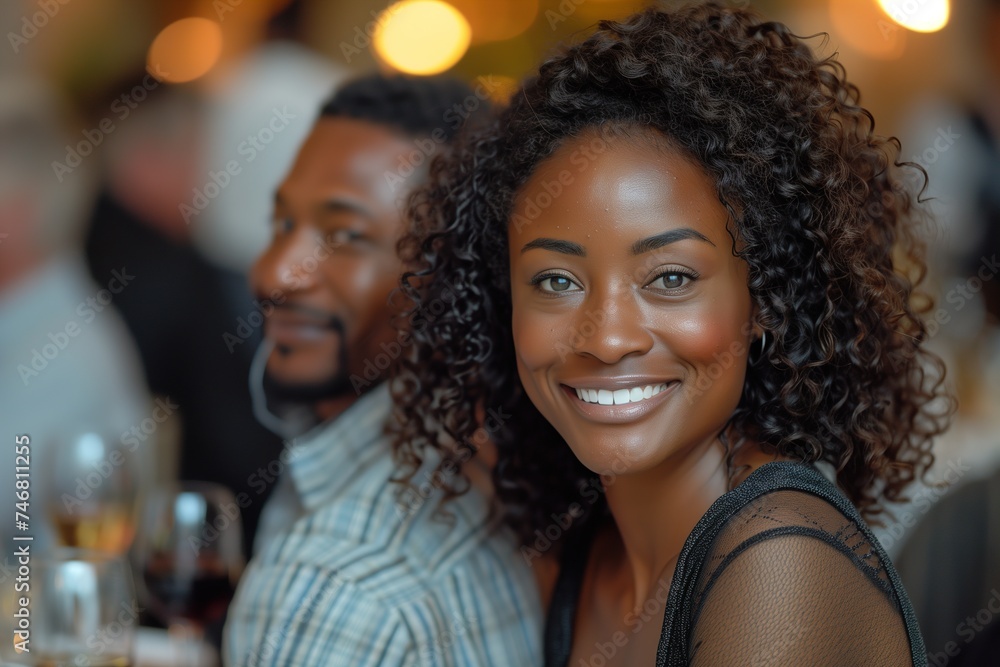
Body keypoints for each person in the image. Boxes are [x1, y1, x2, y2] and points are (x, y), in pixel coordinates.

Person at [394, 3, 953, 665]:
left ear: (765, 301)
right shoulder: (584, 549)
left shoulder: (780, 565)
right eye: (556, 281)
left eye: (670, 277)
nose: (606, 338)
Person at [223, 74, 543, 666]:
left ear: (453, 275)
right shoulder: (479, 478)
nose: (274, 274)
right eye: (282, 225)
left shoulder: (335, 584)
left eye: (343, 236)